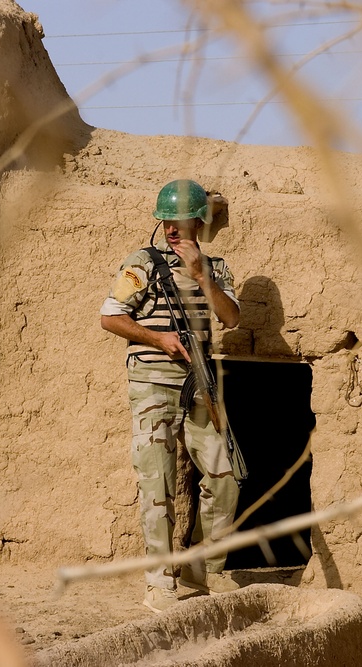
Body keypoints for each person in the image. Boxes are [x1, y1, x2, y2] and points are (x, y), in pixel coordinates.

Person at [100, 179, 242, 613]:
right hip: (151, 385)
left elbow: (231, 317)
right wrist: (157, 338)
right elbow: (110, 316)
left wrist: (201, 275)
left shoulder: (215, 268)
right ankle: (159, 582)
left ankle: (205, 570)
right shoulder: (143, 263)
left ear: (198, 222)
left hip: (200, 386)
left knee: (226, 476)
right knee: (156, 482)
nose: (171, 231)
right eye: (165, 223)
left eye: (179, 223)